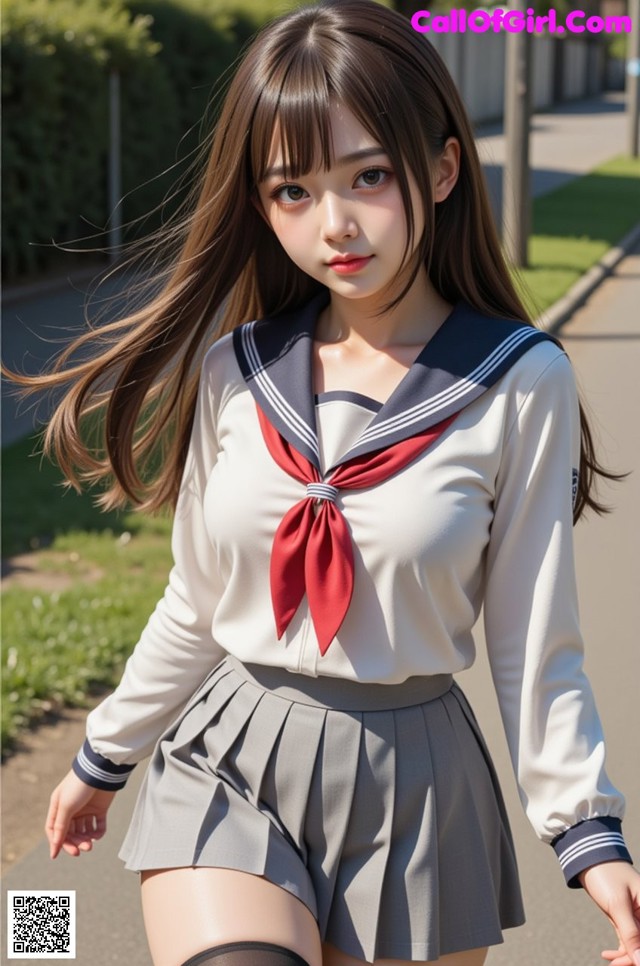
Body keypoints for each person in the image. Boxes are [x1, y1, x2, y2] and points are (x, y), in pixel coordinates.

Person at [7, 1, 637, 964]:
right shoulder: (236, 369)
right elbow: (200, 597)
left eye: (368, 178)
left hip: (415, 783)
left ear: (440, 169)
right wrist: (105, 752)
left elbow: (533, 635)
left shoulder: (518, 379)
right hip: (232, 757)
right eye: (291, 191)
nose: (334, 225)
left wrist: (586, 834)